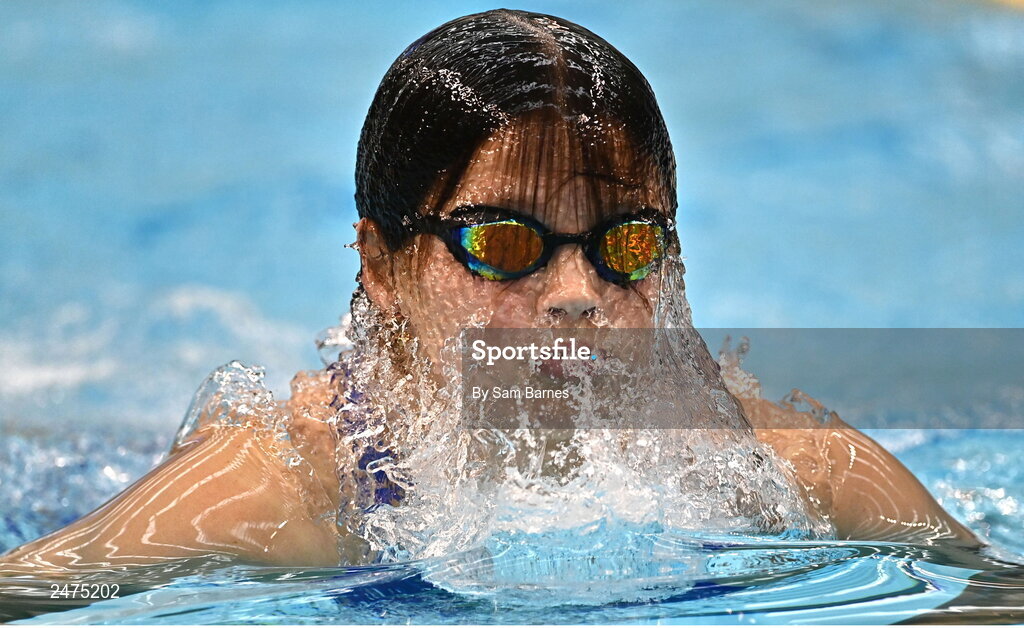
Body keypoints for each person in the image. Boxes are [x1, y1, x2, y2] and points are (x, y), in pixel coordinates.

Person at [0, 9, 977, 580]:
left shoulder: (798, 477)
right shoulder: (282, 494)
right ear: (380, 265)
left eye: (623, 243)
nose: (574, 295)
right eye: (503, 243)